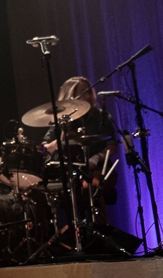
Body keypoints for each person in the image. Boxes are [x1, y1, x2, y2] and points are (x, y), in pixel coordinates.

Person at [42, 76, 120, 221]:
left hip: (98, 169)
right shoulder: (60, 120)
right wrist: (59, 140)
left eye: (89, 92)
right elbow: (45, 148)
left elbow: (112, 146)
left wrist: (96, 158)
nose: (88, 96)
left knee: (89, 187)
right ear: (70, 96)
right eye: (83, 93)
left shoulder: (100, 116)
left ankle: (101, 227)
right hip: (68, 171)